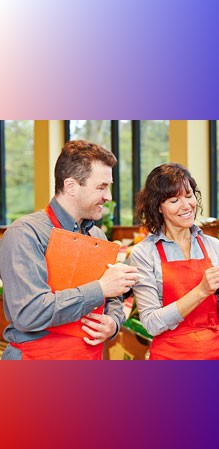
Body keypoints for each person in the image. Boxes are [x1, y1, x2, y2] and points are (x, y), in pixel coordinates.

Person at [0, 140, 139, 360]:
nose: (109, 196)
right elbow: (29, 313)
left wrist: (113, 323)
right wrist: (99, 288)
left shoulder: (98, 236)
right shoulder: (25, 233)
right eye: (101, 187)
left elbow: (113, 298)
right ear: (71, 186)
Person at [130, 163, 219, 360]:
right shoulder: (144, 253)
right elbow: (151, 323)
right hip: (171, 357)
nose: (186, 206)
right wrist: (201, 290)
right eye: (174, 200)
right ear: (158, 206)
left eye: (189, 196)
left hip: (217, 353)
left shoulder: (213, 246)